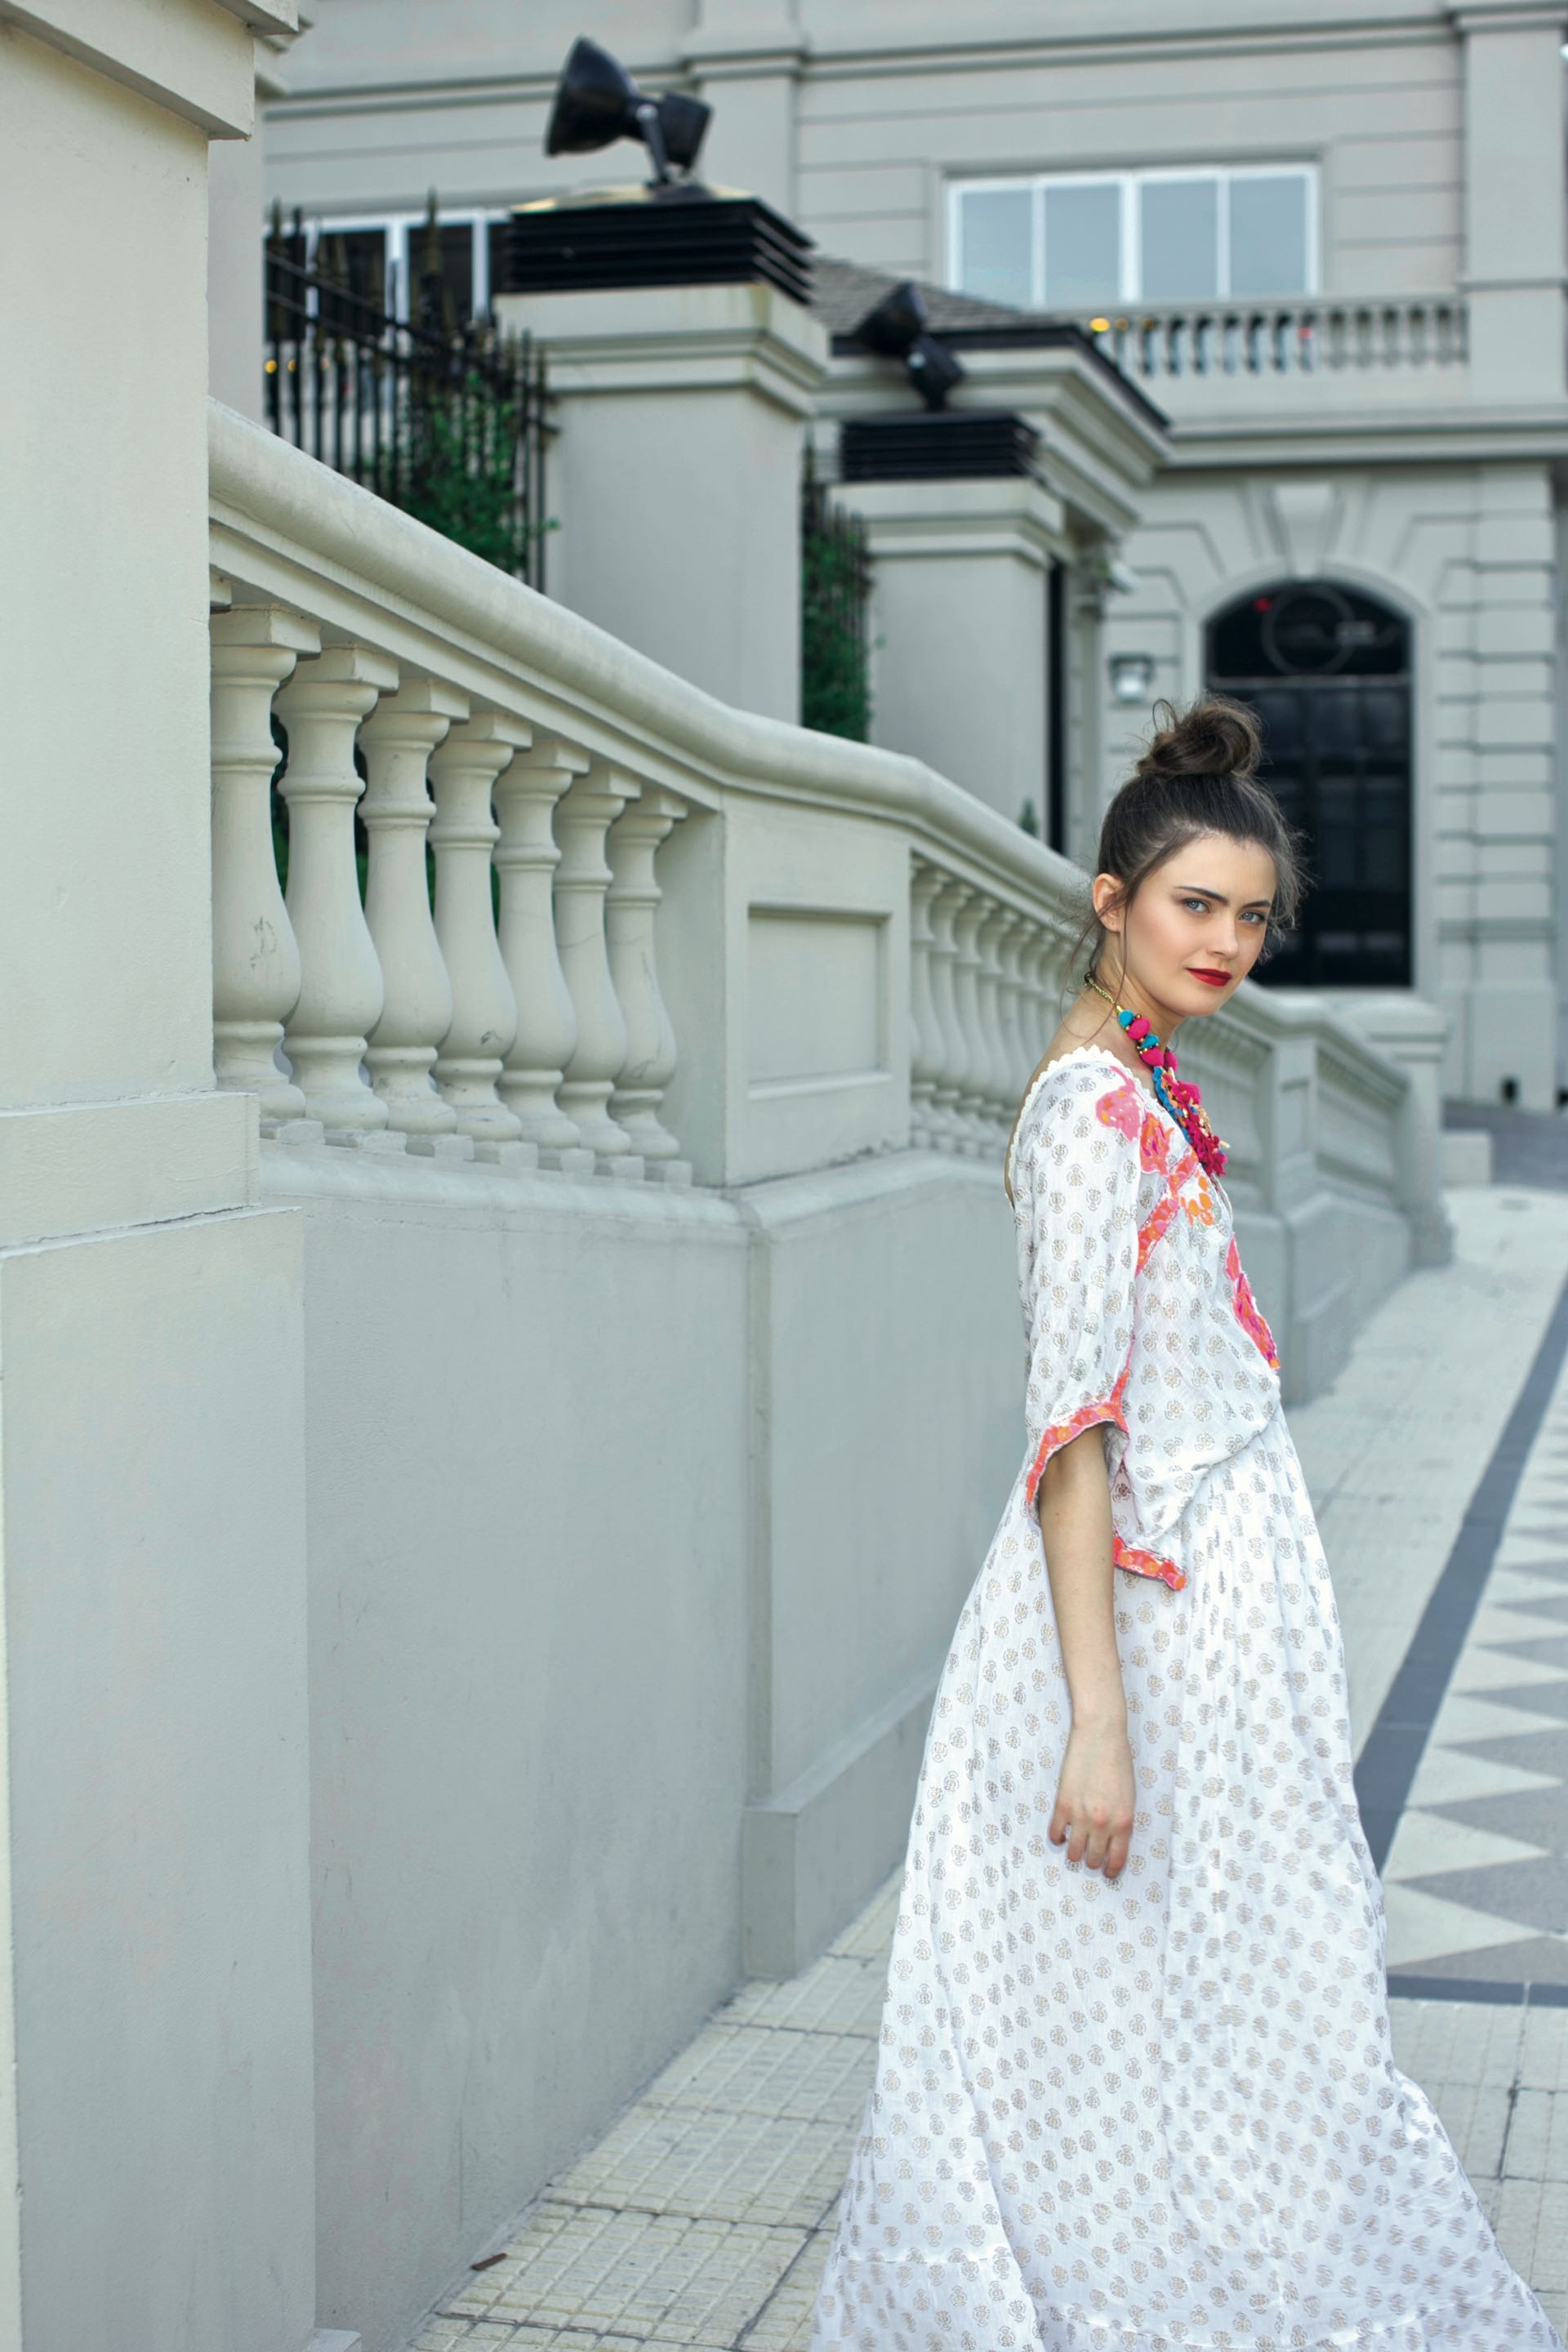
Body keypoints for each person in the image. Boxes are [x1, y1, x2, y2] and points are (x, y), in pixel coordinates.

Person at [808, 697, 1565, 2351]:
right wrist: (1100, 1721)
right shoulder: (1092, 1118)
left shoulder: (1138, 1091)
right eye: (1192, 906)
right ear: (1112, 900)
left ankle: (1194, 2254)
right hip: (1137, 1629)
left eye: (1248, 915)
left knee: (1208, 1992)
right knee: (1166, 1994)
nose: (1225, 942)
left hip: (1203, 1620)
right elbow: (1070, 1434)